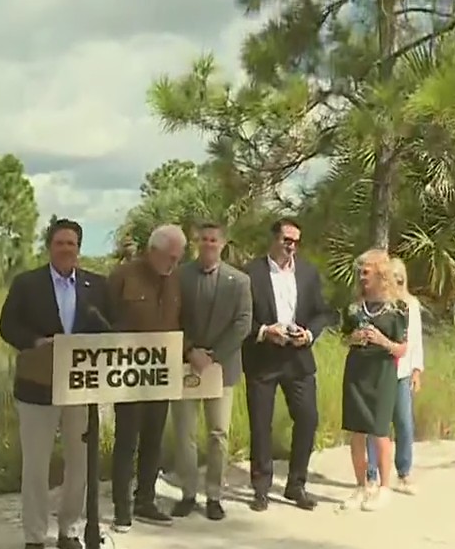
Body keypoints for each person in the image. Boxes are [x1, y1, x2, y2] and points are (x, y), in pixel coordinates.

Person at [0, 218, 111, 549]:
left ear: (79, 248)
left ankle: (69, 530)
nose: (66, 249)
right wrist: (35, 342)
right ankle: (34, 535)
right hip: (37, 387)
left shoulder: (98, 286)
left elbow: (111, 328)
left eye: (72, 244)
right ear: (50, 247)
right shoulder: (27, 284)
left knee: (80, 464)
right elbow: (6, 326)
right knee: (36, 463)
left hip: (80, 389)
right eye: (60, 243)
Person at [241, 218, 337, 513]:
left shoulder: (307, 273)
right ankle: (261, 488)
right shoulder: (251, 273)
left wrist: (308, 334)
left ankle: (296, 484)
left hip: (298, 358)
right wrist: (264, 331)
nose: (291, 246)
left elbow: (322, 313)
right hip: (263, 357)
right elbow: (242, 317)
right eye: (286, 240)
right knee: (261, 425)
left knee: (308, 418)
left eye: (295, 241)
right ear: (274, 239)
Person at [169, 222, 252, 522]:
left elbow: (243, 323)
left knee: (218, 433)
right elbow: (171, 317)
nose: (208, 244)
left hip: (222, 367)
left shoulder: (239, 281)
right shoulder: (180, 276)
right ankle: (188, 493)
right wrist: (191, 351)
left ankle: (214, 494)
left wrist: (215, 355)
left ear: (223, 243)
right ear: (196, 242)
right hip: (186, 364)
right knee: (184, 433)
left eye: (213, 240)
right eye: (203, 239)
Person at [107, 224, 186, 530]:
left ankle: (146, 501)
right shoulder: (123, 276)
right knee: (126, 440)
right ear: (153, 251)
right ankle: (122, 508)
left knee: (154, 440)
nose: (173, 264)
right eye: (170, 257)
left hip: (161, 374)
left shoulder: (175, 280)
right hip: (128, 374)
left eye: (178, 258)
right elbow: (103, 318)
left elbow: (182, 323)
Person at [340, 249, 410, 511]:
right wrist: (354, 339)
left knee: (380, 431)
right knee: (356, 432)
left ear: (381, 274)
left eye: (366, 272)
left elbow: (402, 349)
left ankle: (384, 487)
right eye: (360, 272)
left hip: (382, 373)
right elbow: (343, 337)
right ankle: (361, 485)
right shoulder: (353, 308)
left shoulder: (398, 309)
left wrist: (382, 341)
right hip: (356, 370)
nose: (361, 276)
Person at [366, 256, 423, 495]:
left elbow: (415, 340)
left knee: (404, 423)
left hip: (402, 372)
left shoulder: (410, 305)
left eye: (401, 279)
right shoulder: (381, 304)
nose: (398, 283)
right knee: (375, 425)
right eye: (393, 278)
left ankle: (404, 471)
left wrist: (417, 370)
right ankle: (371, 475)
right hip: (380, 372)